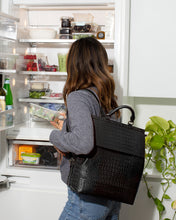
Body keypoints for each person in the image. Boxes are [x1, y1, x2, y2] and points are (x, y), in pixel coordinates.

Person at [49, 37, 121, 220]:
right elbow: (100, 138)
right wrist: (67, 127)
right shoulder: (107, 96)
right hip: (111, 193)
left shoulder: (78, 97)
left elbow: (83, 143)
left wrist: (55, 136)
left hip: (87, 196)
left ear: (74, 64)